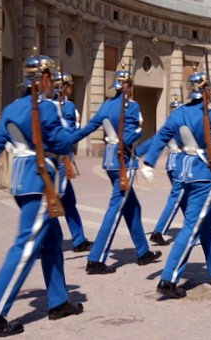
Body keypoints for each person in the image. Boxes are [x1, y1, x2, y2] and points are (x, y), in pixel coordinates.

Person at [0, 54, 99, 336]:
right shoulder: (46, 109)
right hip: (41, 182)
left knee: (50, 242)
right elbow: (62, 143)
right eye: (51, 78)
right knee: (25, 248)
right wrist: (90, 125)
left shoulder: (13, 108)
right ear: (45, 79)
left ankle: (58, 300)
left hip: (22, 180)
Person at [140, 70, 211, 299]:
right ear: (206, 91)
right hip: (202, 173)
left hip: (183, 172)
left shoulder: (179, 113)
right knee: (191, 227)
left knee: (206, 223)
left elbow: (161, 136)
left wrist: (149, 161)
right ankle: (169, 278)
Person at [84, 68, 161, 275]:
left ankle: (143, 251)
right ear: (129, 86)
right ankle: (96, 258)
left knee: (132, 207)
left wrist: (68, 140)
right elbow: (128, 139)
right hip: (124, 162)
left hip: (109, 161)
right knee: (116, 208)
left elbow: (90, 127)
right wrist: (140, 131)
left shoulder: (107, 104)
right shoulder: (132, 106)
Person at [135, 96, 185, 246]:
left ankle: (198, 223)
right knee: (177, 197)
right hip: (180, 162)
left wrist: (137, 152)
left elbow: (154, 141)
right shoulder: (181, 125)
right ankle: (159, 231)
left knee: (183, 196)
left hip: (171, 163)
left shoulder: (168, 125)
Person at [53, 71, 93, 253]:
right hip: (61, 158)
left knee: (69, 200)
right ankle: (45, 240)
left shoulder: (46, 105)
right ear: (64, 87)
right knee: (56, 199)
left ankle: (79, 239)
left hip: (56, 157)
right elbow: (70, 131)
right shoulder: (67, 107)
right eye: (69, 86)